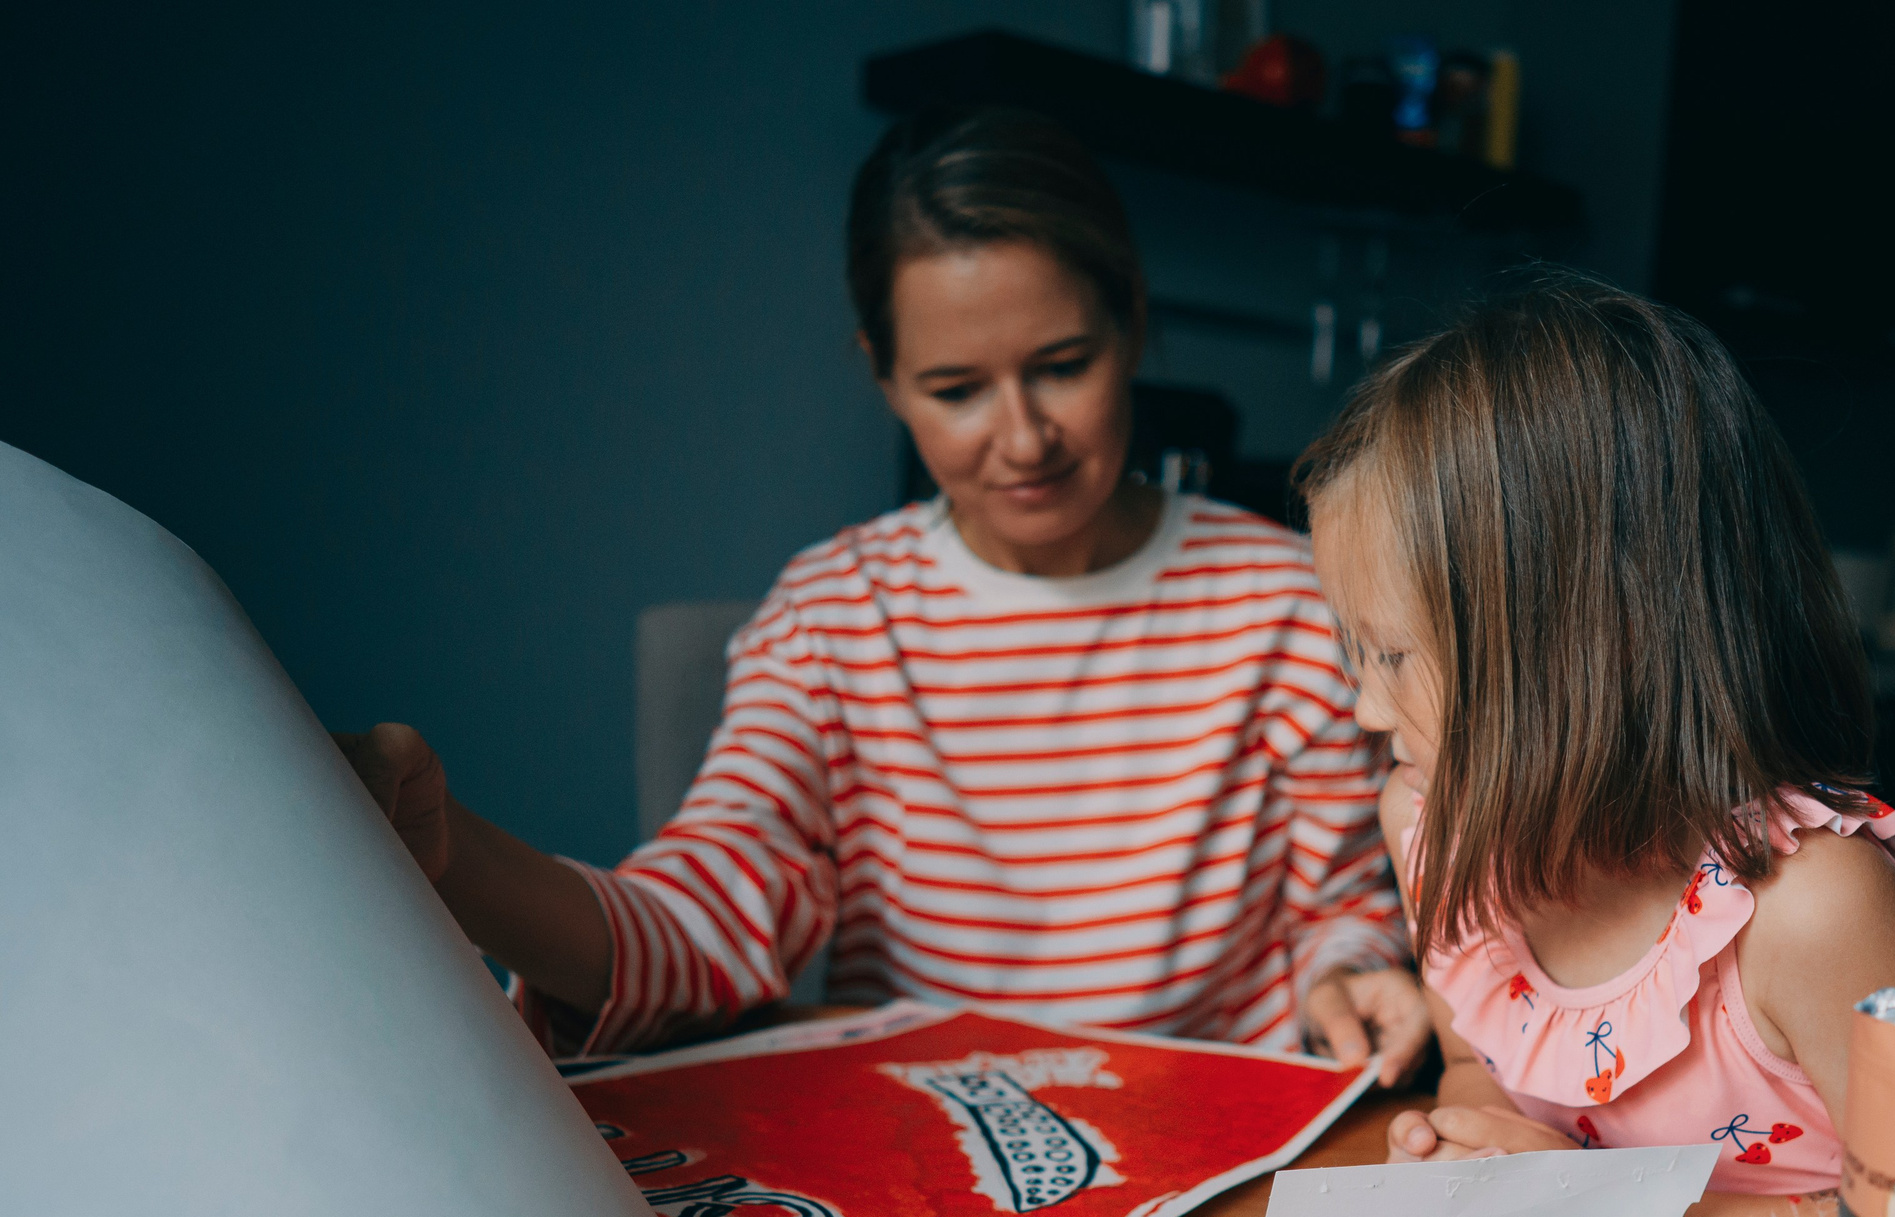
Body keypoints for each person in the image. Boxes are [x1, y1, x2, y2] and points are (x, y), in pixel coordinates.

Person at [337, 107, 1426, 1074]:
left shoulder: (1286, 599)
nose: (1023, 437)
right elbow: (707, 907)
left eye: (1062, 364)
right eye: (956, 389)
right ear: (884, 375)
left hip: (1211, 1159)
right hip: (925, 1166)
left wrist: (1346, 976)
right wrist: (454, 862)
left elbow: (1336, 911)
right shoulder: (830, 620)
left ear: (1131, 322)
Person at [1299, 275, 1895, 1217]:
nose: (1362, 712)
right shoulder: (1428, 824)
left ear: (1583, 645)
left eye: (1391, 655)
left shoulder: (1814, 909)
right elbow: (1479, 1068)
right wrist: (1469, 1145)